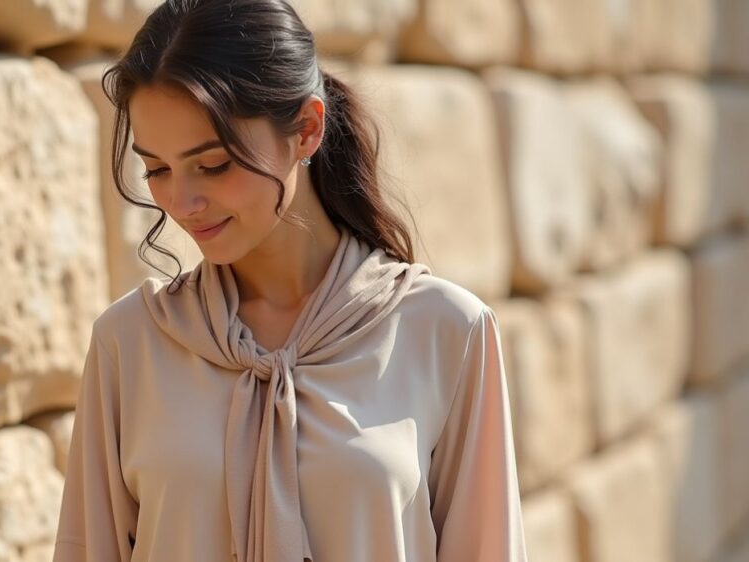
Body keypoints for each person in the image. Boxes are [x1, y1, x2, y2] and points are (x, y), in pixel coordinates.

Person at [53, 0, 528, 561]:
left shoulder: (448, 331)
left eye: (212, 164)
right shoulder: (129, 344)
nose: (181, 202)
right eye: (157, 169)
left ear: (305, 130)